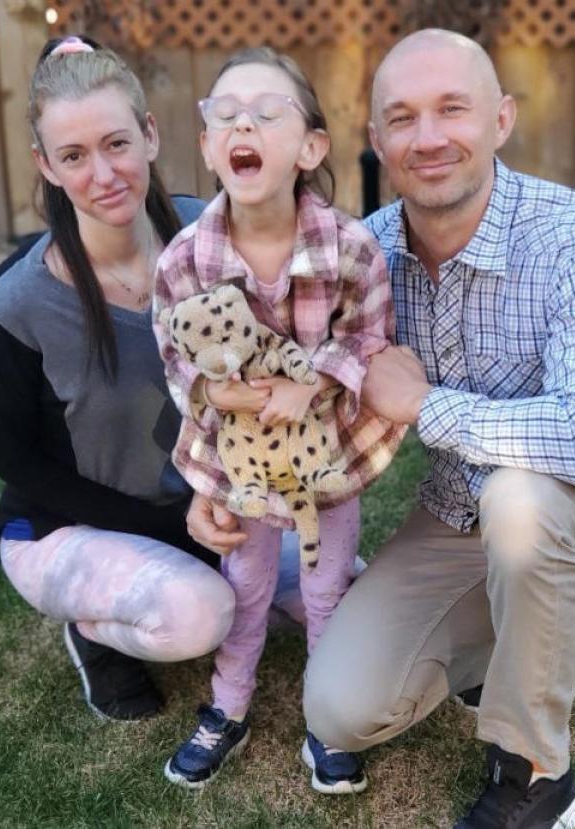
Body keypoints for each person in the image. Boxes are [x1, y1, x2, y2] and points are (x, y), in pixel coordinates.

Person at [189, 29, 575, 828]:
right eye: (403, 117)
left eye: (451, 109)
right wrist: (221, 486)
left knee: (522, 502)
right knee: (341, 708)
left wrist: (426, 406)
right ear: (376, 140)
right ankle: (505, 637)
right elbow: (285, 383)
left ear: (500, 119)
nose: (428, 138)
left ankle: (536, 775)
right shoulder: (365, 253)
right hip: (458, 513)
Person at [0, 35, 299, 725]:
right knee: (199, 614)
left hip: (214, 506)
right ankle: (94, 631)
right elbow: (13, 459)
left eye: (116, 142)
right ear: (47, 166)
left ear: (150, 135)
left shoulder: (210, 235)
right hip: (66, 525)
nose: (103, 173)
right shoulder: (18, 300)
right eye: (74, 155)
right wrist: (170, 525)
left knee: (336, 586)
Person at [152, 47, 405, 795]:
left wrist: (317, 379)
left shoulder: (352, 249)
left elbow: (369, 340)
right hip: (243, 461)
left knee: (326, 586)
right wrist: (208, 392)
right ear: (207, 147)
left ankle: (326, 716)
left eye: (268, 113)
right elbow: (175, 356)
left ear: (311, 147)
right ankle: (229, 705)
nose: (244, 125)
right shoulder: (183, 262)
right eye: (225, 114)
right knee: (248, 581)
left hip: (326, 457)